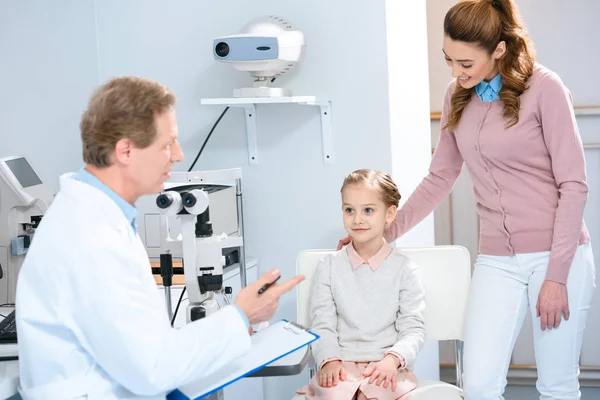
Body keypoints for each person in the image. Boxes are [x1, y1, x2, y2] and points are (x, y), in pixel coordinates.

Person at [340, 1, 596, 398]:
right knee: (477, 384)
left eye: (465, 63)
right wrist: (382, 236)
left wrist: (557, 275)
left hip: (558, 255)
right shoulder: (457, 94)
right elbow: (439, 177)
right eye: (449, 61)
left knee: (557, 385)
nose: (456, 73)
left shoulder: (545, 88)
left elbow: (574, 185)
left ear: (498, 50)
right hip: (497, 258)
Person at [15, 76, 305, 399]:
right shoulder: (91, 237)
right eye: (167, 144)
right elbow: (153, 367)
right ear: (125, 150)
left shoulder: (100, 218)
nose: (178, 155)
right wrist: (240, 315)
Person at [299, 169, 425, 400]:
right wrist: (330, 360)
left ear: (389, 214)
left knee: (372, 397)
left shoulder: (405, 269)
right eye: (349, 210)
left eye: (368, 210)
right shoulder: (328, 266)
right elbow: (322, 323)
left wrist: (392, 360)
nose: (357, 219)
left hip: (386, 365)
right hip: (339, 364)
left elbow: (413, 329)